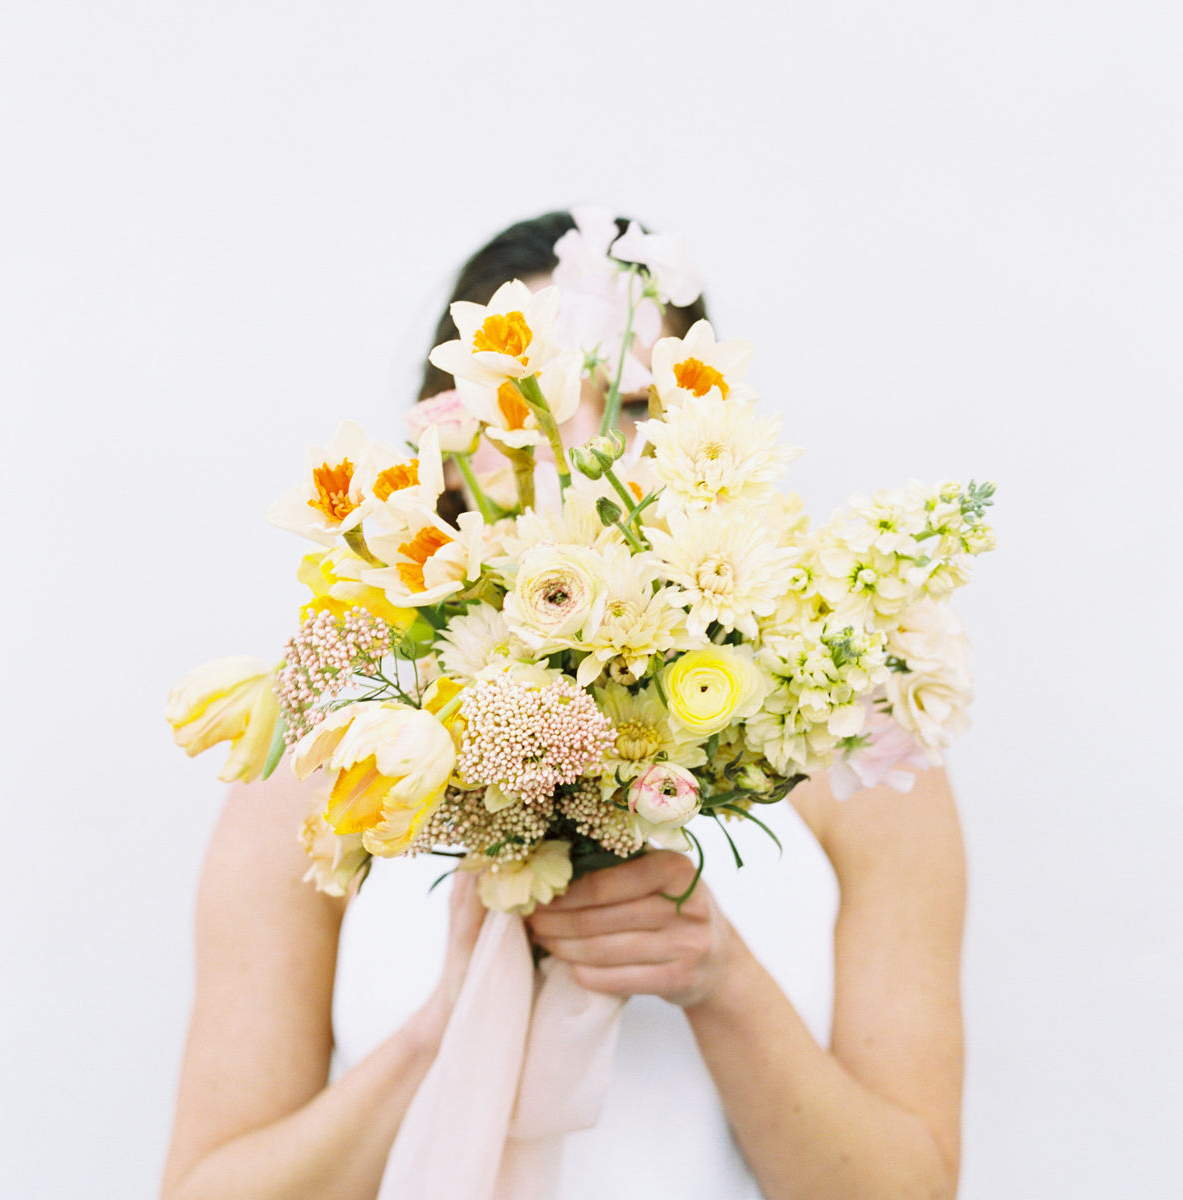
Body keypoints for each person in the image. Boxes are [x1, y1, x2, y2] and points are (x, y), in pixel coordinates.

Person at [160, 212, 966, 1200]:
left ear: (707, 433)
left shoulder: (855, 748)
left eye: (631, 403)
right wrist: (444, 1024)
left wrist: (718, 981)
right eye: (523, 397)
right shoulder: (334, 759)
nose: (577, 447)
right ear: (443, 448)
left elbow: (913, 1189)